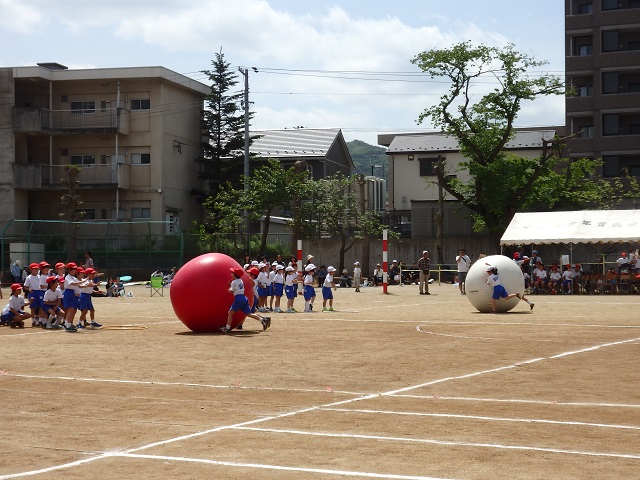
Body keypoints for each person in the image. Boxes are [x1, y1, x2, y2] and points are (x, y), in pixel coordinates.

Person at [220, 267, 271, 333]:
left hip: (238, 298)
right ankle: (262, 320)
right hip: (244, 298)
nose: (231, 274)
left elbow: (231, 291)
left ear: (235, 275)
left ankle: (227, 328)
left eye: (232, 273)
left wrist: (229, 288)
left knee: (230, 313)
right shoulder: (241, 280)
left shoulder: (234, 282)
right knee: (248, 314)